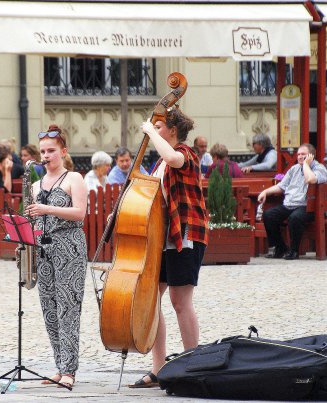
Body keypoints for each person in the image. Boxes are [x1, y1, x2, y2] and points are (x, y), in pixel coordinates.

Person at [129, 107, 208, 388]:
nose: (154, 132)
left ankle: (191, 365)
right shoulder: (159, 164)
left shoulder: (186, 154)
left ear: (172, 131)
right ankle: (159, 368)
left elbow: (173, 158)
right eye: (155, 128)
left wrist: (150, 132)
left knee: (180, 301)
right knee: (153, 300)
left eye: (160, 127)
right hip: (162, 238)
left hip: (185, 234)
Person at [23, 124, 88, 390]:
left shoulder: (74, 178)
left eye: (51, 151)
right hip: (44, 249)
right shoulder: (36, 185)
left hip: (70, 248)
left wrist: (45, 208)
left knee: (68, 308)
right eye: (42, 151)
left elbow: (80, 214)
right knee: (49, 310)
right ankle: (59, 367)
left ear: (63, 151)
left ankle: (70, 370)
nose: (46, 156)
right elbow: (35, 220)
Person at [258, 143, 327, 260]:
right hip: (290, 204)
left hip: (310, 207)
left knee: (295, 218)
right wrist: (265, 192)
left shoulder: (320, 168)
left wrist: (306, 164)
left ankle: (294, 251)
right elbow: (281, 186)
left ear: (311, 156)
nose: (300, 157)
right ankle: (280, 247)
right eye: (299, 154)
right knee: (269, 215)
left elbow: (310, 179)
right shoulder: (294, 169)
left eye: (303, 154)